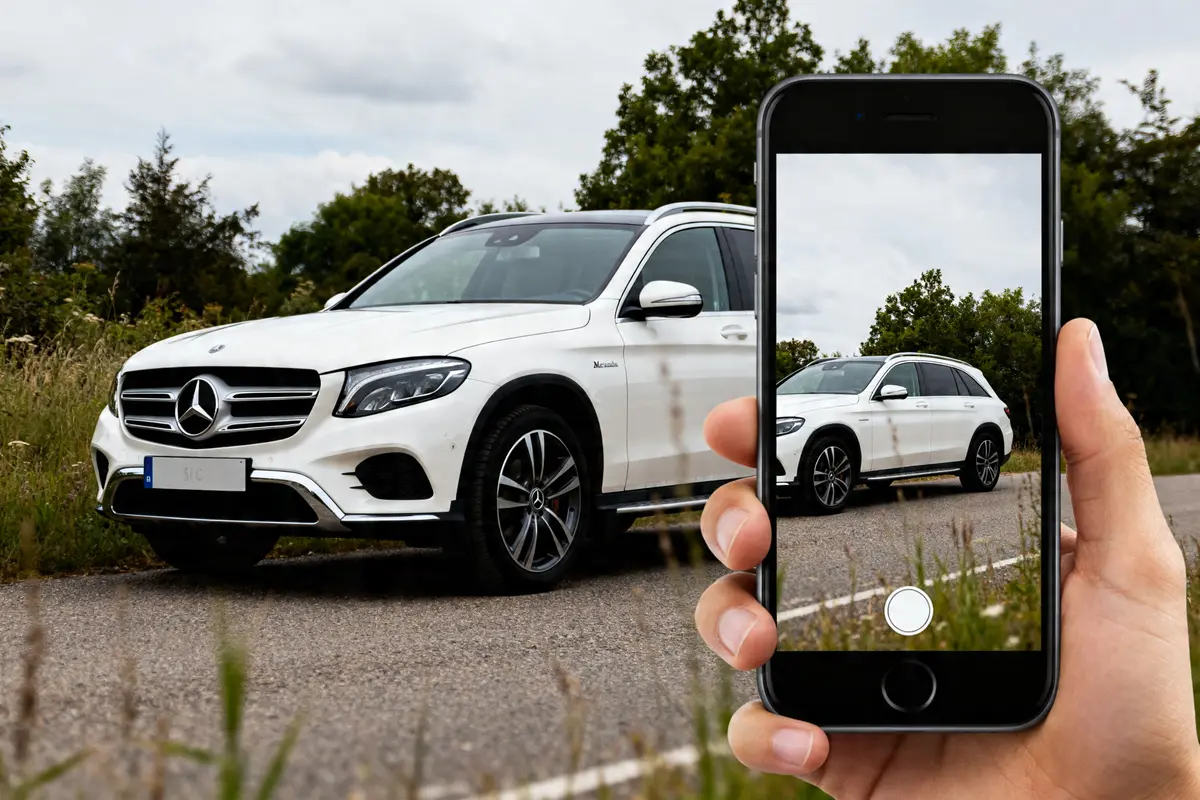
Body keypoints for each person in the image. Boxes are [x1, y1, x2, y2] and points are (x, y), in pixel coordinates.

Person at [693, 318, 1200, 799]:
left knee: (868, 467)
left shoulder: (921, 392)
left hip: (960, 411)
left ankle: (839, 483)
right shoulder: (809, 398)